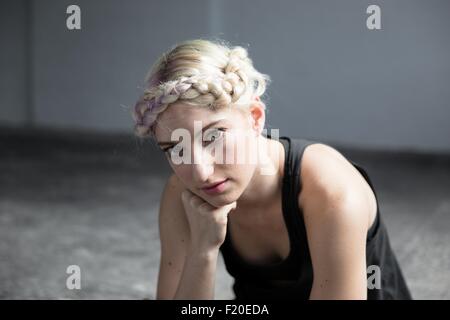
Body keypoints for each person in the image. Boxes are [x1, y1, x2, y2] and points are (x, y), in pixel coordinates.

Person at [132, 39, 412, 300]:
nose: (201, 173)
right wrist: (202, 252)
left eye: (213, 136)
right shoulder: (183, 192)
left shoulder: (332, 192)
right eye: (176, 149)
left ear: (255, 118)